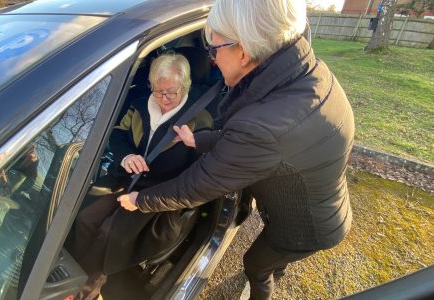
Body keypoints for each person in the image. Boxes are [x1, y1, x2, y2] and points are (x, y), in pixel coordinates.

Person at [118, 1, 355, 299]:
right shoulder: (309, 75)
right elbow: (252, 140)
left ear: (243, 52)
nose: (213, 60)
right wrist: (198, 141)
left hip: (305, 227)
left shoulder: (263, 124)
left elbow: (196, 187)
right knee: (273, 259)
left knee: (255, 264)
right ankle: (277, 267)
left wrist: (140, 200)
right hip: (315, 200)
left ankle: (262, 288)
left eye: (214, 49)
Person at [70, 52, 212, 300]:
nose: (164, 99)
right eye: (158, 92)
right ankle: (77, 271)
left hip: (161, 196)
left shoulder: (200, 121)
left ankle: (84, 290)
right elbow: (117, 135)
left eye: (171, 92)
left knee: (110, 235)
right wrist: (127, 157)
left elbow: (198, 176)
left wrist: (150, 196)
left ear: (185, 86)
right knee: (85, 218)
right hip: (127, 182)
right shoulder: (139, 105)